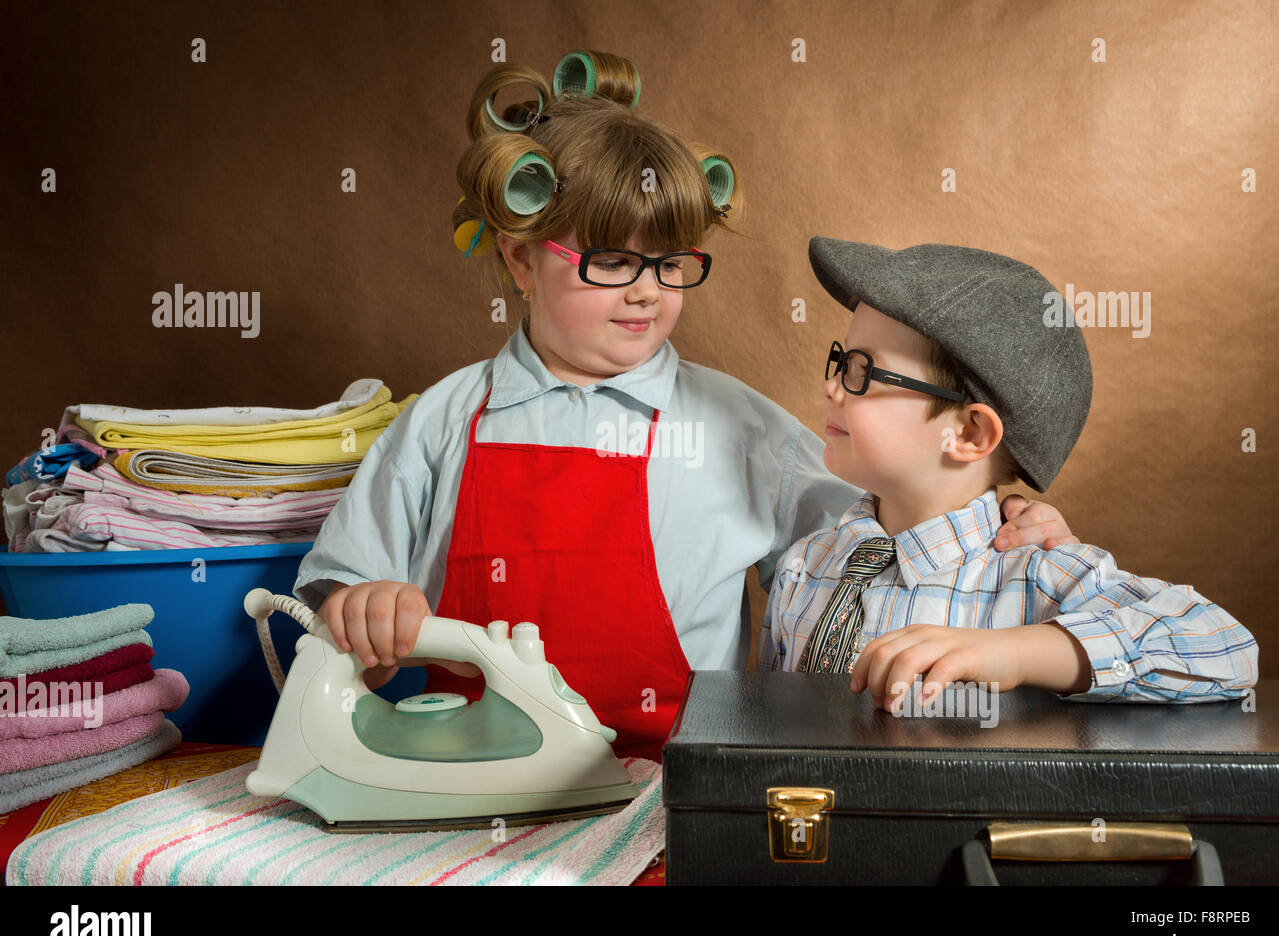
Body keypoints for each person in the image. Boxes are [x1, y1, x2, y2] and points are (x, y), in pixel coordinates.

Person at [294, 52, 1080, 759]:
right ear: (520, 256)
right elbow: (338, 584)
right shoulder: (441, 420)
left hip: (675, 794)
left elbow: (889, 537)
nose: (647, 290)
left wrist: (1002, 516)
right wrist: (359, 604)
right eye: (611, 261)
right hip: (469, 786)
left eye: (671, 263)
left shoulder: (740, 427)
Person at [761, 237, 1258, 711]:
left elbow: (1227, 647)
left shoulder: (1039, 577)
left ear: (972, 433)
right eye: (841, 360)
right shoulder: (803, 569)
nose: (833, 387)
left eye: (863, 370)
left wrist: (1018, 654)